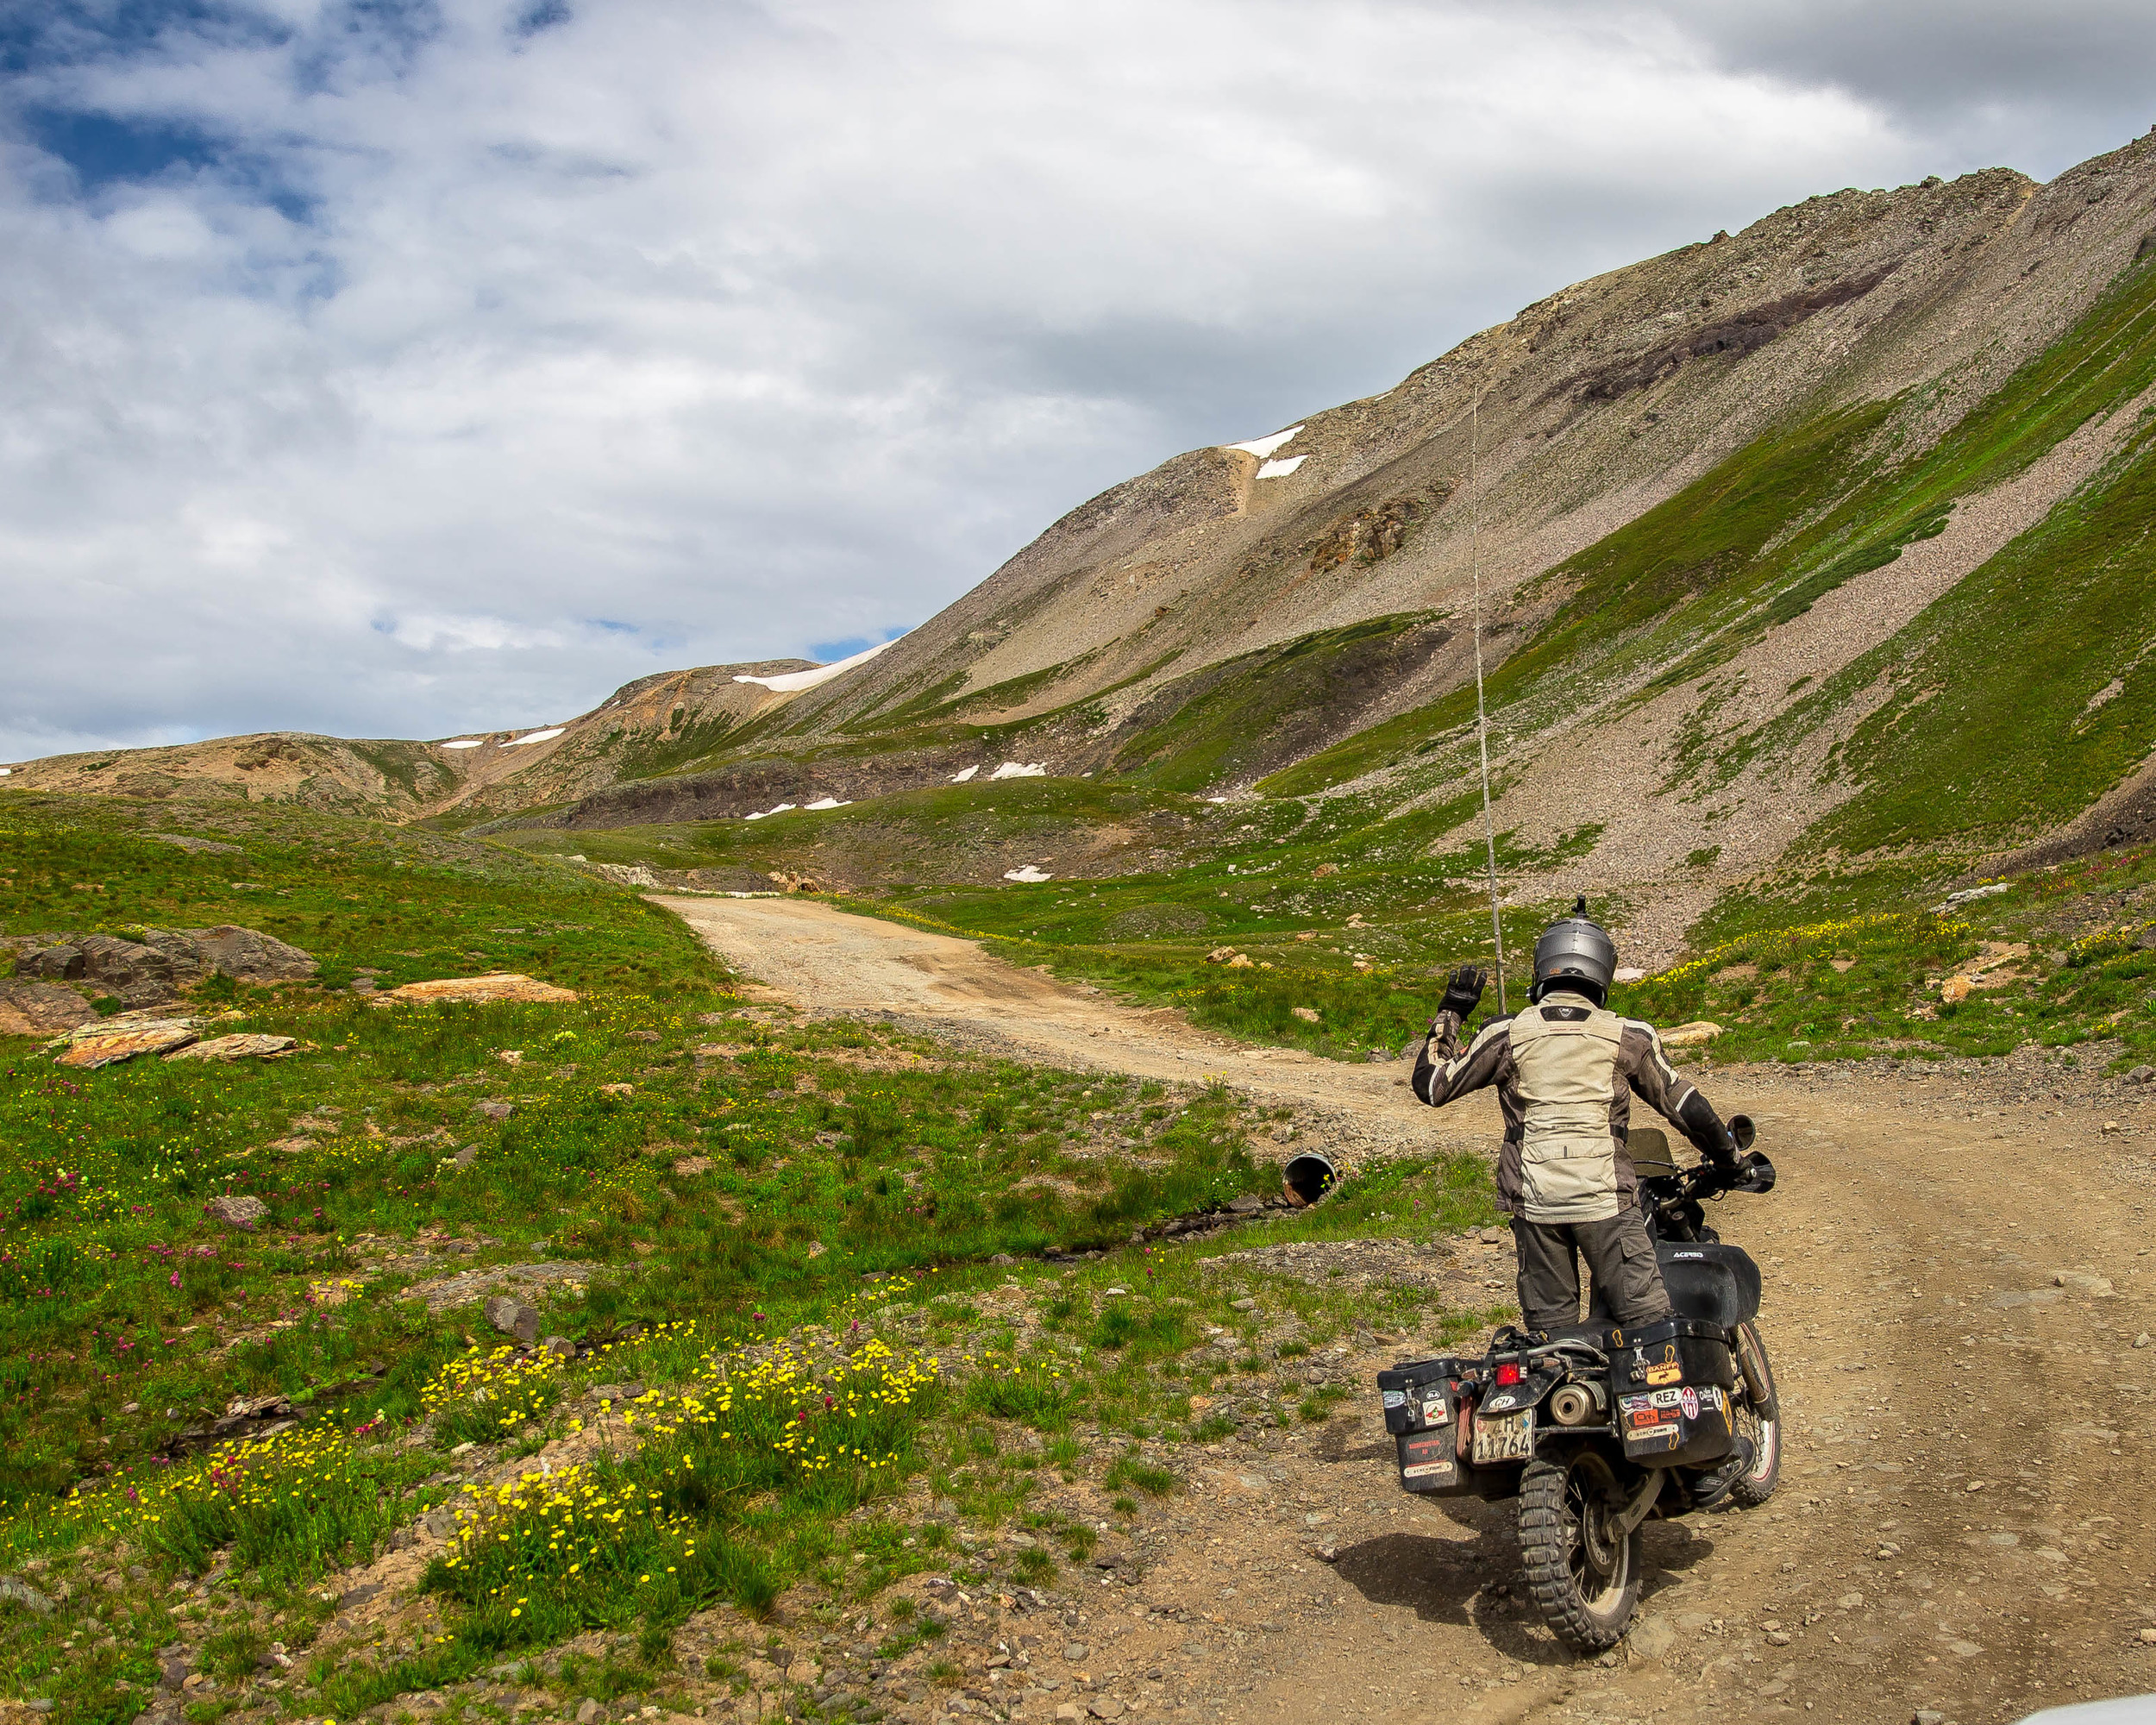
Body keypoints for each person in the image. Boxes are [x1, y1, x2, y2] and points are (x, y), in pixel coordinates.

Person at [1410, 896, 1741, 1333]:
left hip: (1534, 1201)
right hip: (1607, 1199)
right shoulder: (1627, 1035)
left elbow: (1432, 1087)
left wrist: (1451, 1013)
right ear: (1603, 973)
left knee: (1551, 1342)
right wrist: (1728, 1159)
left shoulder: (1506, 1033)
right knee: (1650, 1328)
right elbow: (1685, 1106)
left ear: (1541, 969)